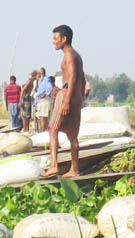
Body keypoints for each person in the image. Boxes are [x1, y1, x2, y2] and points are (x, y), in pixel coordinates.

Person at [42, 25, 87, 178]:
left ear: (64, 39)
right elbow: (83, 78)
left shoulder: (69, 55)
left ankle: (54, 165)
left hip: (68, 95)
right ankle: (74, 169)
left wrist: (67, 100)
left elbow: (74, 77)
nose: (53, 42)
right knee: (72, 135)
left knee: (53, 129)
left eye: (55, 38)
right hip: (75, 97)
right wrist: (78, 98)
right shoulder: (76, 56)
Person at [35, 67, 54, 131]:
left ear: (41, 73)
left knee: (43, 117)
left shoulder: (46, 79)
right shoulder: (41, 81)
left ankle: (43, 132)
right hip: (41, 100)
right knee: (42, 117)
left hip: (44, 99)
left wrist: (45, 94)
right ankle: (44, 131)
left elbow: (50, 87)